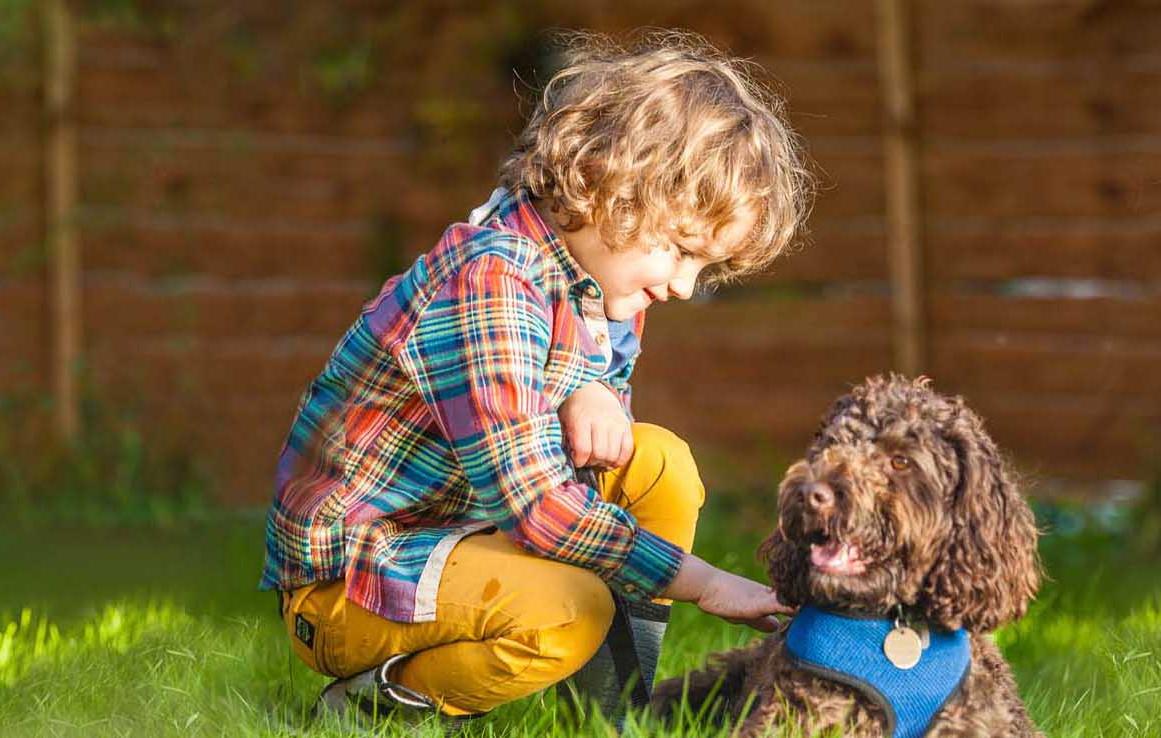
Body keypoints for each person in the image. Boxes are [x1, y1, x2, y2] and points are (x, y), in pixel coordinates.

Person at [259, 29, 815, 727]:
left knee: (659, 462)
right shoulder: (490, 283)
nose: (681, 285)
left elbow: (585, 394)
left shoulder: (594, 273)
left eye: (703, 268)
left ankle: (604, 712)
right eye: (677, 250)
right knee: (566, 614)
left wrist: (592, 384)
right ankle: (371, 704)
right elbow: (539, 508)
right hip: (360, 578)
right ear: (603, 188)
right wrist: (701, 583)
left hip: (466, 535)